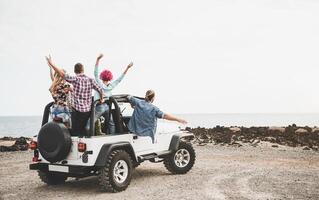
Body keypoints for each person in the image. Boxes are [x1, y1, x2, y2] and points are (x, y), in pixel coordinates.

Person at [45, 55, 104, 137]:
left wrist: (51, 65)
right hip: (82, 111)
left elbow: (59, 76)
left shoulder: (64, 83)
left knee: (70, 132)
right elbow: (101, 90)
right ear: (83, 70)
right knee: (81, 129)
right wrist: (101, 99)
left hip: (62, 111)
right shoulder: (90, 80)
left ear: (75, 71)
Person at [92, 53, 133, 134]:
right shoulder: (111, 86)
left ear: (102, 77)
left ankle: (88, 132)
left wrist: (98, 59)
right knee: (111, 123)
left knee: (91, 122)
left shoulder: (99, 83)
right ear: (109, 77)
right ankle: (111, 136)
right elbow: (119, 79)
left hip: (99, 106)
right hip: (107, 107)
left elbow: (95, 73)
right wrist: (127, 68)